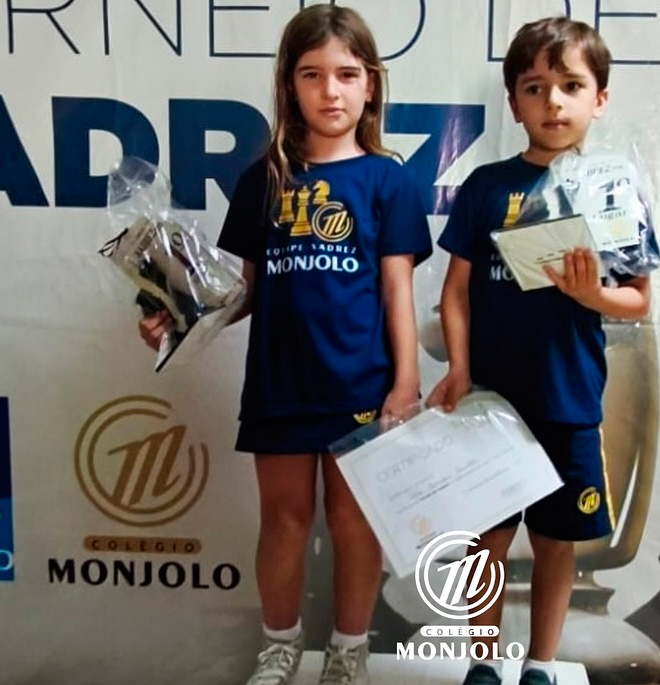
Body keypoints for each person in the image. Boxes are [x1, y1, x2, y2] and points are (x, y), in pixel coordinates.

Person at [139, 6, 431, 685]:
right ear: (288, 85)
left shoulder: (388, 180)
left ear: (370, 85)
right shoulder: (262, 179)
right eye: (312, 75)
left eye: (346, 75)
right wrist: (173, 314)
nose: (330, 91)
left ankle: (349, 651)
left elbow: (397, 291)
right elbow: (242, 292)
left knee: (354, 524)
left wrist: (404, 383)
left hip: (362, 386)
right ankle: (279, 646)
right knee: (284, 519)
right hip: (280, 385)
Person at [427, 16, 652, 685]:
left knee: (556, 541)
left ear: (599, 99)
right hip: (491, 401)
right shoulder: (486, 187)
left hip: (569, 398)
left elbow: (638, 300)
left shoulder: (614, 189)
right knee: (487, 540)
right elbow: (454, 294)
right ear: (514, 103)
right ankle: (482, 660)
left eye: (571, 86)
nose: (553, 102)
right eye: (535, 87)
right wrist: (460, 369)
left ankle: (542, 663)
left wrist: (592, 295)